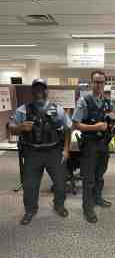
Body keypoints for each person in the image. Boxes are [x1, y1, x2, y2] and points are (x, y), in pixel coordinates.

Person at [9, 79, 71, 225]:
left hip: (54, 152)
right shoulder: (22, 110)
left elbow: (68, 128)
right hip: (32, 153)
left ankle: (59, 205)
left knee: (61, 183)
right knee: (30, 185)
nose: (39, 92)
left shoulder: (58, 109)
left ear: (46, 91)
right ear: (32, 91)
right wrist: (20, 128)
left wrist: (66, 150)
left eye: (42, 89)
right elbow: (11, 128)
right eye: (36, 89)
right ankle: (30, 210)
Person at [72, 71, 115, 223]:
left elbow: (110, 120)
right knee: (88, 178)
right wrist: (95, 127)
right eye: (96, 82)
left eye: (102, 82)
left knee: (99, 175)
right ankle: (87, 207)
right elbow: (75, 124)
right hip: (90, 144)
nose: (99, 85)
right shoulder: (84, 101)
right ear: (91, 83)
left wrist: (111, 122)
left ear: (105, 84)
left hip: (104, 144)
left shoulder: (107, 101)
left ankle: (97, 199)